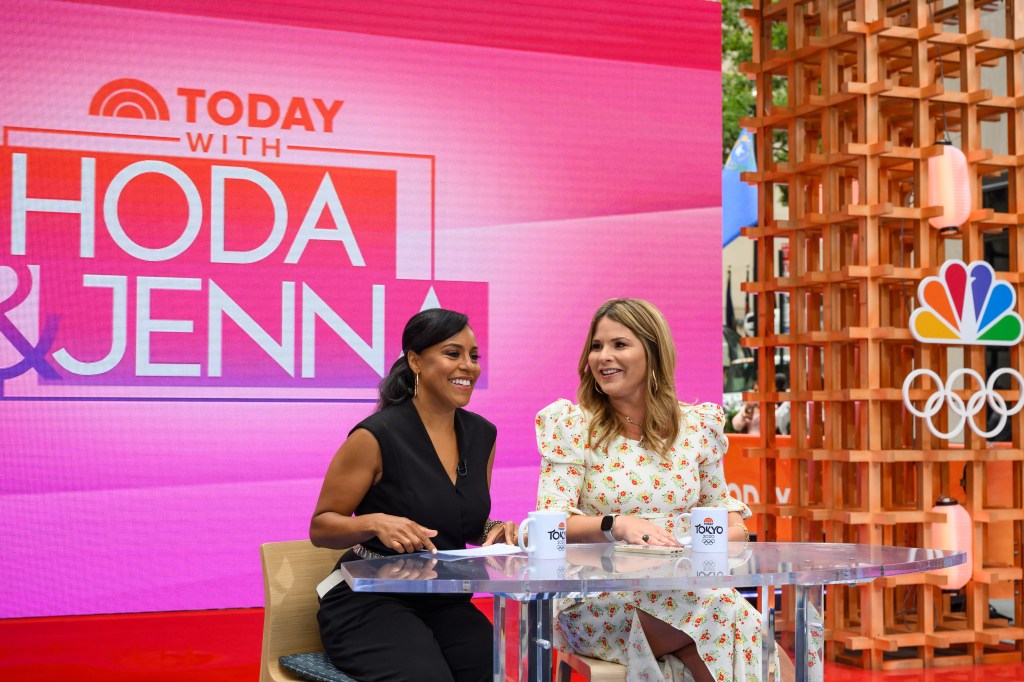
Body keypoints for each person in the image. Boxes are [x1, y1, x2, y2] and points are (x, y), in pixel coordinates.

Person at [534, 298, 794, 682]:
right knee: (731, 625)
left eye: (619, 344)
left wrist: (686, 540)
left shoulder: (696, 427)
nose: (604, 356)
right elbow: (549, 526)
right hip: (598, 600)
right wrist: (615, 525)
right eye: (596, 346)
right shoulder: (571, 426)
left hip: (687, 591)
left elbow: (732, 523)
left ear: (653, 352)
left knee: (727, 630)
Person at [310, 308, 516, 682]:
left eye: (474, 356)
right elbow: (321, 527)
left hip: (443, 597)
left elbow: (457, 517)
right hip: (368, 597)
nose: (468, 366)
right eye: (453, 354)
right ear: (415, 361)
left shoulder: (483, 435)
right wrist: (373, 522)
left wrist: (494, 529)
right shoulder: (375, 436)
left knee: (496, 672)